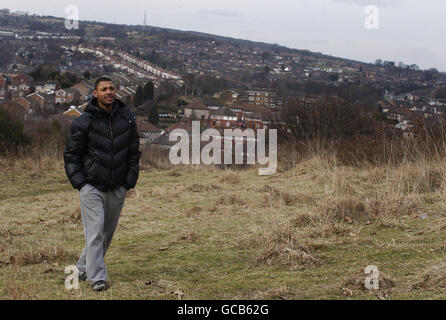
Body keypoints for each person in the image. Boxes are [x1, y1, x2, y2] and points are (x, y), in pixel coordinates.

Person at [64, 76, 141, 291]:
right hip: (91, 186)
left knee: (106, 233)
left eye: (112, 88)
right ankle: (97, 278)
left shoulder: (126, 118)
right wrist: (80, 183)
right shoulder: (83, 122)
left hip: (118, 187)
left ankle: (81, 268)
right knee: (95, 230)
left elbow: (133, 152)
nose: (109, 92)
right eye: (104, 89)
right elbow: (71, 155)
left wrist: (129, 181)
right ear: (95, 93)